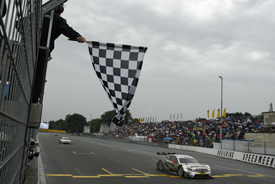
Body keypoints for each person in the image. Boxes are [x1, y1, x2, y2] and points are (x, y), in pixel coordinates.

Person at [32, 4, 86, 103]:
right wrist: (77, 36)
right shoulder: (55, 18)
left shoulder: (37, 16)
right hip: (42, 52)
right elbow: (66, 29)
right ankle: (33, 101)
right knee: (38, 80)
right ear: (59, 10)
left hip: (29, 50)